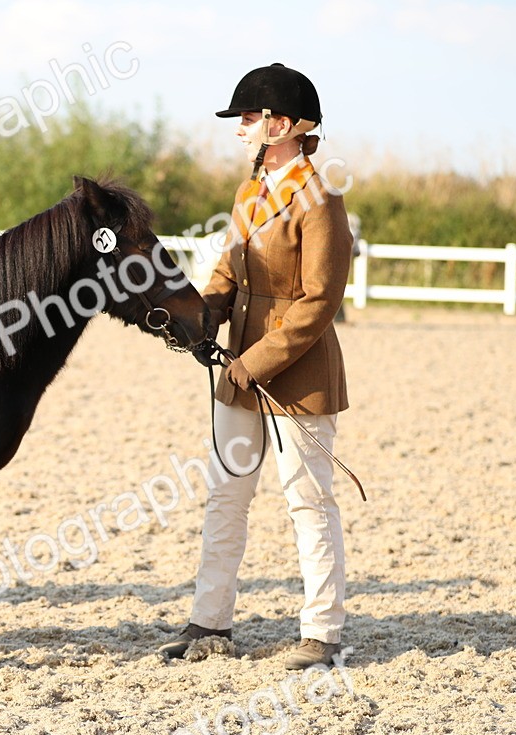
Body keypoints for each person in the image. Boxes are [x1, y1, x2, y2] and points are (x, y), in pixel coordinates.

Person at [159, 63, 353, 670]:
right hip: (240, 369)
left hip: (298, 374)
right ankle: (209, 621)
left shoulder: (320, 199)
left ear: (284, 125)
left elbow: (320, 299)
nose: (240, 128)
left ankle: (321, 631)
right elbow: (226, 272)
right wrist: (201, 319)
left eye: (248, 118)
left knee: (307, 500)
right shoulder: (249, 193)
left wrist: (256, 361)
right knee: (226, 497)